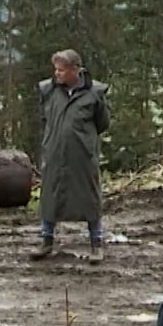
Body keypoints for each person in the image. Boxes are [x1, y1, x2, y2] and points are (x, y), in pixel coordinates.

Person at [31, 50, 111, 263]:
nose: (56, 74)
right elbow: (44, 118)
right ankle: (45, 241)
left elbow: (103, 123)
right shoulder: (48, 90)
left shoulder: (94, 93)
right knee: (50, 197)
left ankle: (96, 244)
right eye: (55, 69)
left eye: (61, 70)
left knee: (90, 199)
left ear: (75, 70)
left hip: (83, 156)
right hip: (55, 153)